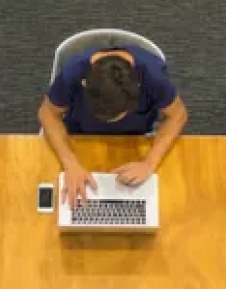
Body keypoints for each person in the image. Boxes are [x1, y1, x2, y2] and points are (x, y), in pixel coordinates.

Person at [39, 44, 188, 209]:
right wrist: (70, 163)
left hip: (134, 140)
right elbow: (48, 114)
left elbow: (178, 115)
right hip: (80, 139)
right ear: (84, 83)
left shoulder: (153, 76)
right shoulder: (72, 74)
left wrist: (149, 163)